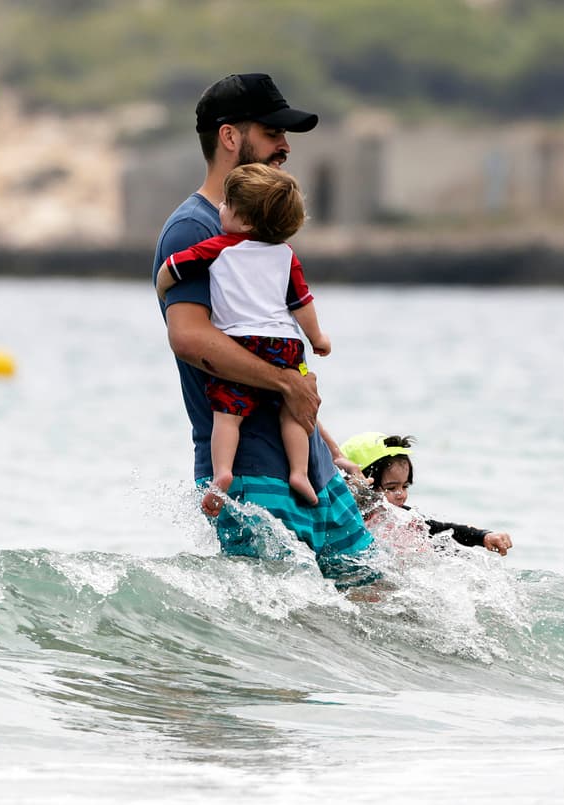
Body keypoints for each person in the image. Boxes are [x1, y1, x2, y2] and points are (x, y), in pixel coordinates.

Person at [152, 73, 375, 585]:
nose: (285, 145)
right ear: (230, 137)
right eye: (272, 132)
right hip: (247, 465)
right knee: (281, 625)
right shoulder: (197, 229)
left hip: (309, 466)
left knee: (376, 598)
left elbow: (279, 355)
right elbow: (190, 337)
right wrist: (285, 384)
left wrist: (333, 449)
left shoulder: (262, 234)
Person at [156, 163, 329, 513]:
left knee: (227, 414)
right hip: (284, 344)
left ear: (245, 221)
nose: (219, 208)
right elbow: (301, 303)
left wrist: (162, 288)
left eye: (226, 205)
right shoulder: (286, 255)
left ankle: (222, 473)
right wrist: (317, 338)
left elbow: (173, 268)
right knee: (292, 412)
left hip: (241, 342)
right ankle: (299, 472)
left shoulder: (218, 246)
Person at [338, 432, 513, 556]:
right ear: (359, 484)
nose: (401, 495)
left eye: (405, 486)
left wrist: (484, 536)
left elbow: (443, 530)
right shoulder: (341, 519)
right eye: (390, 488)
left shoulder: (403, 519)